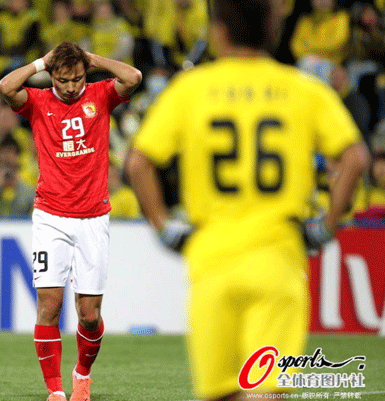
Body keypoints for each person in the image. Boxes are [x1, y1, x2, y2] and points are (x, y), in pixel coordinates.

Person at [125, 0, 369, 400]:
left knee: (220, 392)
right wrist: (327, 225)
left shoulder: (191, 89)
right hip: (279, 257)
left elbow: (138, 163)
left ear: (218, 32)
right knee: (263, 391)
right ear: (273, 32)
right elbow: (356, 157)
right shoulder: (302, 88)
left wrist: (163, 226)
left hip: (212, 260)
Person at [0, 41, 141, 401]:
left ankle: (82, 374)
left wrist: (93, 60)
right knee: (48, 304)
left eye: (77, 78)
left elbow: (134, 76)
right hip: (50, 217)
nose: (71, 86)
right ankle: (56, 391)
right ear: (52, 76)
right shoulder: (38, 102)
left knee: (89, 315)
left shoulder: (101, 94)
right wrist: (38, 63)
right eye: (62, 79)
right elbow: (5, 87)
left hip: (93, 217)